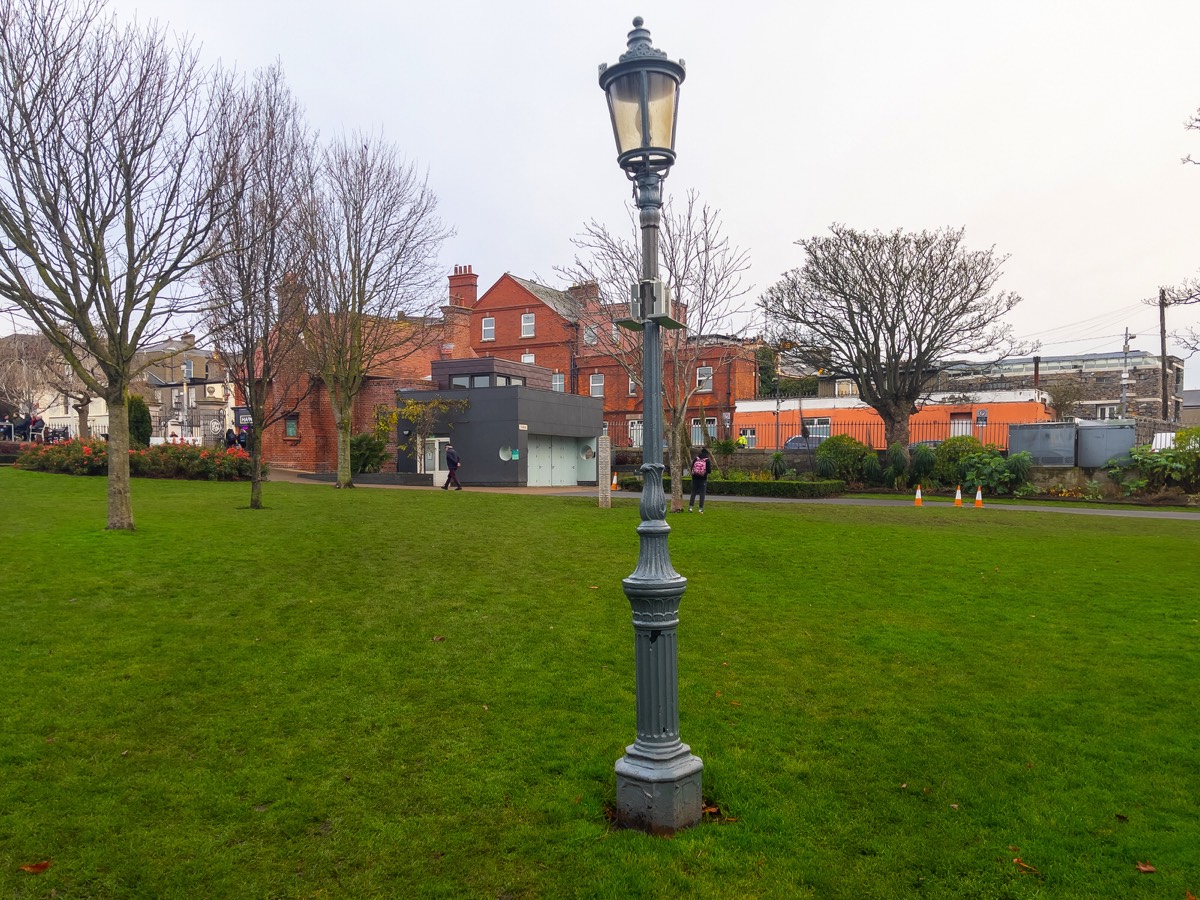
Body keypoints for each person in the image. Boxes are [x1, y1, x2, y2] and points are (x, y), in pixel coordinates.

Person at [688, 447, 712, 513]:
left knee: (693, 493)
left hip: (694, 478)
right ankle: (700, 508)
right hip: (703, 479)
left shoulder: (696, 459)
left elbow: (692, 468)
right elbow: (709, 471)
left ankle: (690, 507)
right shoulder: (707, 460)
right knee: (702, 494)